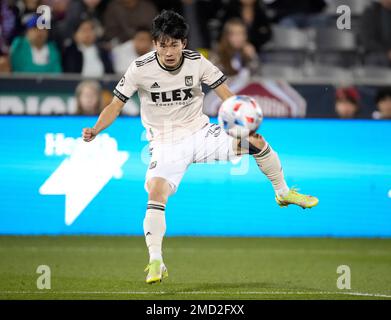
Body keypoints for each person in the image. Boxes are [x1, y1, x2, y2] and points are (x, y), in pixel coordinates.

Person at [82, 10, 318, 284]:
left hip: (202, 134)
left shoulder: (198, 63)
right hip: (166, 143)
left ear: (184, 43)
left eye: (174, 44)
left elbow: (227, 97)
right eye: (162, 44)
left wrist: (242, 118)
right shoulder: (140, 68)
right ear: (155, 43)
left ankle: (283, 192)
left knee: (256, 142)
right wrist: (96, 129)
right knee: (156, 193)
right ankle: (155, 260)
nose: (168, 51)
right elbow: (115, 105)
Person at [359, 0, 391, 66]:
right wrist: (386, 52)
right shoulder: (370, 12)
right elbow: (367, 41)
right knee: (377, 59)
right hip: (378, 52)